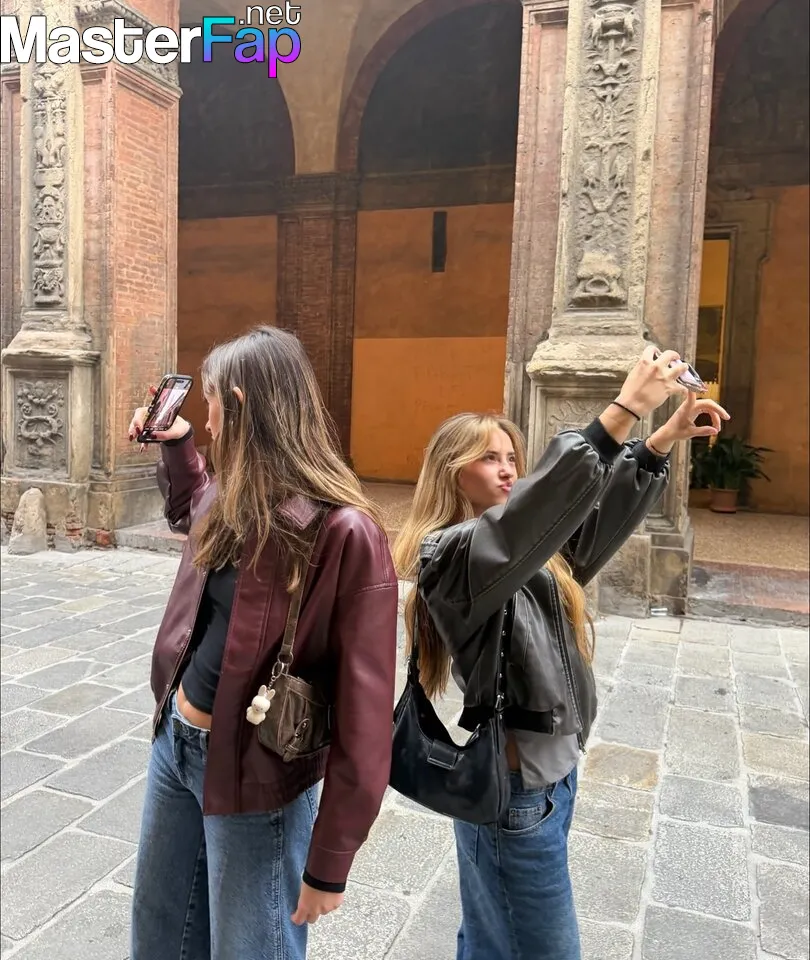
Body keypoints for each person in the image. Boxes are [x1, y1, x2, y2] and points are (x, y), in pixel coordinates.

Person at [392, 346, 730, 960]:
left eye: (511, 458)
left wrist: (658, 444)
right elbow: (537, 506)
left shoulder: (524, 551)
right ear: (450, 471)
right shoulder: (452, 556)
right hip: (517, 792)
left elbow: (583, 533)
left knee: (494, 940)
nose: (507, 470)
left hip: (553, 780)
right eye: (488, 458)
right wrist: (623, 411)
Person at [127, 326, 398, 960]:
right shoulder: (231, 494)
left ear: (241, 403)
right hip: (176, 745)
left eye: (212, 403)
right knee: (161, 932)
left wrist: (330, 859)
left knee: (251, 947)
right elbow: (191, 508)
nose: (207, 419)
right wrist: (178, 442)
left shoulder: (344, 533)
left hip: (255, 768)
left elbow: (365, 713)